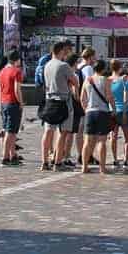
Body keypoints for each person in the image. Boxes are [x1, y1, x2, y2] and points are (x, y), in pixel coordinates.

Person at [41, 41, 79, 171]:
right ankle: (57, 162)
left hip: (49, 100)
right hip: (63, 101)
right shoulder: (63, 65)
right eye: (65, 51)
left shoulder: (46, 65)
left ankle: (45, 161)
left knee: (48, 131)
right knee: (63, 132)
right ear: (61, 51)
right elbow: (75, 81)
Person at [79, 58, 114, 174]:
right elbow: (109, 97)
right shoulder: (106, 80)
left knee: (87, 141)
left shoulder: (87, 80)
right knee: (101, 141)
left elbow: (82, 98)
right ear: (103, 69)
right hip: (102, 112)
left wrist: (86, 109)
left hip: (90, 112)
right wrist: (113, 109)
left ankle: (84, 167)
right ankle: (102, 168)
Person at [0, 49, 24, 167]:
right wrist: (21, 102)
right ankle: (5, 157)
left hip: (3, 103)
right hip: (13, 103)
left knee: (8, 130)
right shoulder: (16, 71)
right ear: (17, 59)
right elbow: (17, 89)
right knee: (11, 132)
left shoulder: (2, 71)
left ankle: (13, 155)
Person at [108, 59, 128, 166]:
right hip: (122, 110)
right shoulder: (123, 79)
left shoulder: (108, 80)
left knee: (113, 136)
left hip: (111, 111)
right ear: (120, 68)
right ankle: (126, 159)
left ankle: (114, 158)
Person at [67, 53, 86, 165]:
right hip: (74, 105)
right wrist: (79, 100)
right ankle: (68, 156)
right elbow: (75, 91)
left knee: (65, 132)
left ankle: (62, 155)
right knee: (73, 131)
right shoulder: (75, 73)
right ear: (75, 63)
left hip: (65, 102)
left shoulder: (64, 71)